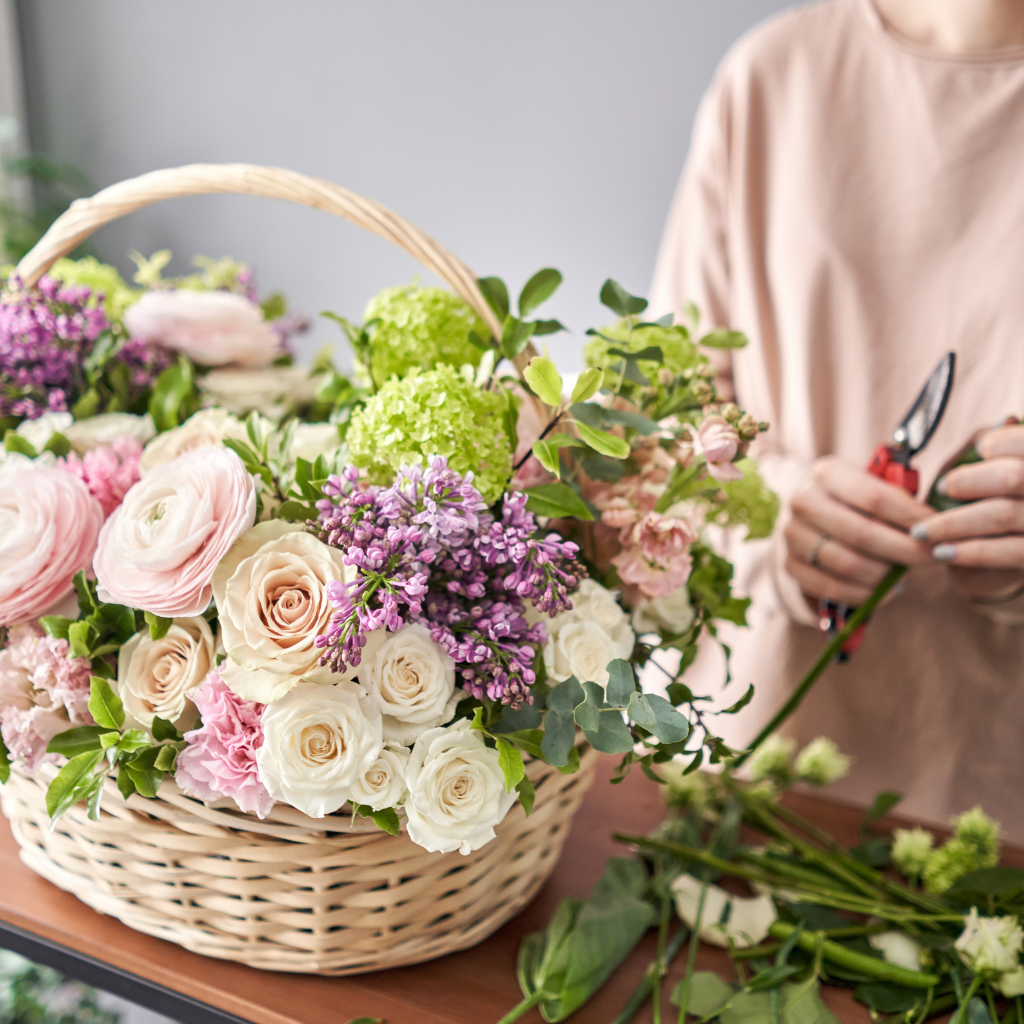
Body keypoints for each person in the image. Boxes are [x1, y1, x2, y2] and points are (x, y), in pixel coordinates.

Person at [650, 0, 1024, 836]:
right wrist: (770, 513)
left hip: (999, 810)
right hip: (752, 775)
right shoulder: (772, 79)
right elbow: (664, 419)